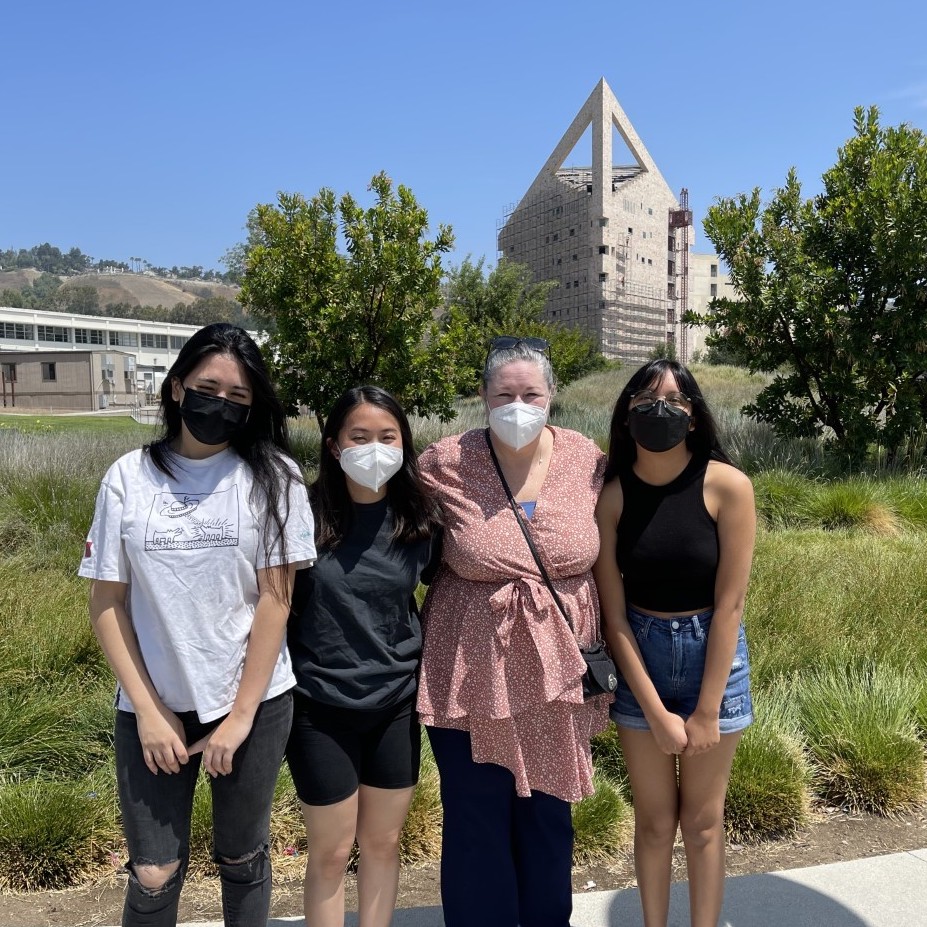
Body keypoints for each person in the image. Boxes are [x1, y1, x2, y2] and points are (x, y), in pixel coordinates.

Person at [79, 322, 317, 927]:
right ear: (178, 387)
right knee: (154, 871)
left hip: (254, 704)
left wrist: (238, 718)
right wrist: (150, 710)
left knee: (241, 854)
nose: (222, 404)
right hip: (151, 706)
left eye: (239, 397)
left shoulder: (276, 478)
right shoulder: (128, 478)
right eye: (209, 387)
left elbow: (276, 600)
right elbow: (107, 602)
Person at [416, 336, 610, 927]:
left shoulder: (586, 459)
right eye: (505, 394)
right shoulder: (443, 462)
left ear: (552, 396)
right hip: (471, 669)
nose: (518, 405)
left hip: (558, 670)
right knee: (476, 819)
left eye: (531, 393)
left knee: (548, 816)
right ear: (483, 396)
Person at [593, 358, 756, 927]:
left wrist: (708, 709)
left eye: (673, 401)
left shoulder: (727, 486)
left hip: (715, 656)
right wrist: (656, 712)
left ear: (693, 418)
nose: (657, 411)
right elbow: (612, 617)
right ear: (626, 414)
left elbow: (731, 605)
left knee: (704, 823)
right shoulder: (611, 497)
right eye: (644, 400)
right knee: (656, 822)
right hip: (642, 656)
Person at [285, 385, 442, 927]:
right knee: (329, 853)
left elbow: (442, 593)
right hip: (317, 703)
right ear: (333, 445)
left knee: (383, 844)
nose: (374, 448)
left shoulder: (420, 520)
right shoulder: (300, 514)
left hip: (395, 702)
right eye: (359, 436)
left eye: (387, 437)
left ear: (404, 445)